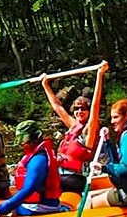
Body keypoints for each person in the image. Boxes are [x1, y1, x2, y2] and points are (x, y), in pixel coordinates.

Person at [41, 64, 106, 193]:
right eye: (76, 108)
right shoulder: (73, 125)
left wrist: (100, 75)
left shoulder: (89, 130)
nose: (79, 111)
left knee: (42, 183)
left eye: (83, 108)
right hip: (62, 174)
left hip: (76, 178)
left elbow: (95, 105)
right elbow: (57, 106)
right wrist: (45, 85)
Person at [0, 120, 64, 217]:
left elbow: (28, 190)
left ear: (32, 140)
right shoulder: (39, 155)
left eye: (23, 141)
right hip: (45, 204)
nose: (22, 145)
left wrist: (2, 209)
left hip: (40, 207)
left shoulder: (39, 160)